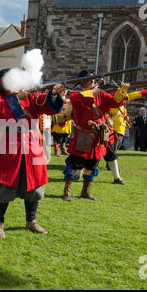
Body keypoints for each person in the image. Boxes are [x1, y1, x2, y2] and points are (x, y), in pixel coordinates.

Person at [0, 69, 64, 238]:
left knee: (35, 184)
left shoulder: (29, 96)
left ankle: (31, 221)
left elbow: (47, 106)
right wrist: (16, 99)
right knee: (3, 185)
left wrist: (53, 94)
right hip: (8, 144)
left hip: (31, 144)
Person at [62, 70, 129, 202]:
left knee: (92, 166)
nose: (93, 80)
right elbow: (79, 98)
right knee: (75, 165)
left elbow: (115, 103)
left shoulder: (102, 94)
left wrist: (122, 90)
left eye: (94, 79)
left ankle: (85, 191)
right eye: (90, 79)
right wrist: (96, 91)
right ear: (82, 81)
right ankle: (67, 191)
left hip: (98, 136)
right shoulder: (76, 94)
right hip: (83, 135)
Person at [105, 87, 147, 185]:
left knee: (113, 150)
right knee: (109, 151)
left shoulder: (122, 103)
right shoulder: (110, 103)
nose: (125, 96)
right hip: (113, 129)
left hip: (121, 129)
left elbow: (134, 94)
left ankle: (111, 168)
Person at [51, 88, 72, 156]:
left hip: (67, 119)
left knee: (65, 135)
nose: (65, 92)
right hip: (59, 118)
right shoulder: (57, 98)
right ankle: (56, 150)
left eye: (66, 90)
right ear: (61, 91)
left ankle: (63, 149)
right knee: (57, 136)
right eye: (64, 90)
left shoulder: (68, 99)